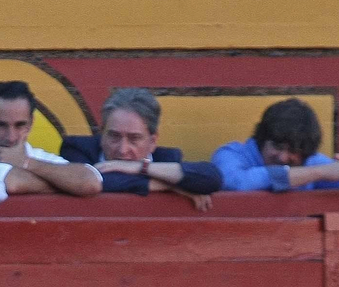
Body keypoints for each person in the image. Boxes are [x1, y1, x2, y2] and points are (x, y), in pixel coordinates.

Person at [60, 87, 222, 209]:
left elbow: (212, 178)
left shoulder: (167, 159)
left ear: (153, 141)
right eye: (114, 136)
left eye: (134, 139)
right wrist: (170, 185)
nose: (123, 150)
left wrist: (140, 167)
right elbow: (96, 182)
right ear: (102, 134)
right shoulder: (77, 149)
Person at [0, 81, 102, 198]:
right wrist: (62, 184)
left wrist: (26, 162)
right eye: (1, 125)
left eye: (20, 125)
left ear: (31, 123)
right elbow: (12, 183)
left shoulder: (36, 158)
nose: (11, 136)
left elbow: (90, 182)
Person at [212, 98, 339, 192]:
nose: (282, 157)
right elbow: (233, 183)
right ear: (262, 138)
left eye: (293, 151)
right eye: (277, 146)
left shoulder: (310, 161)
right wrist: (317, 173)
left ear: (306, 154)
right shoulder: (231, 154)